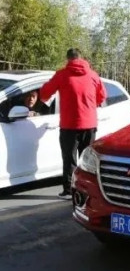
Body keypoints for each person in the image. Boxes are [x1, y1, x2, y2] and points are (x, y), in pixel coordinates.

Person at [40, 48, 106, 200]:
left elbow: (44, 93)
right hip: (89, 124)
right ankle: (87, 191)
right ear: (81, 58)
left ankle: (69, 190)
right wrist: (89, 106)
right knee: (87, 160)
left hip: (69, 125)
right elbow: (102, 96)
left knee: (69, 159)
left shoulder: (62, 75)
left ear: (68, 59)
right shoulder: (93, 75)